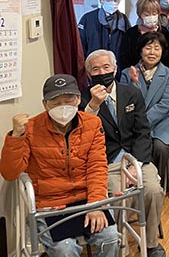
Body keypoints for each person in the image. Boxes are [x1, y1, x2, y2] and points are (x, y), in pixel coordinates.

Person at [0, 74, 119, 257]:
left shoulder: (93, 124)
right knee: (65, 249)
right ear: (45, 104)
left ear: (78, 99)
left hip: (87, 198)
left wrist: (96, 204)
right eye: (55, 102)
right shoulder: (31, 129)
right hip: (51, 204)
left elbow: (97, 166)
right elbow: (10, 173)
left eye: (68, 100)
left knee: (110, 238)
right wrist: (16, 136)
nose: (63, 106)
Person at [81, 50, 166, 257]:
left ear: (115, 68)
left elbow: (143, 131)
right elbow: (81, 137)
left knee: (153, 190)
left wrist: (136, 165)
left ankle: (151, 243)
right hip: (106, 162)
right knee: (119, 197)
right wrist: (93, 106)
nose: (102, 72)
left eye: (106, 67)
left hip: (136, 158)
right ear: (89, 74)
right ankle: (120, 248)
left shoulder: (131, 94)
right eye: (95, 69)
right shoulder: (83, 99)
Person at [120, 31, 169, 187]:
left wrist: (143, 122)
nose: (152, 52)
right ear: (140, 50)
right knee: (133, 145)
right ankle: (137, 185)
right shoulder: (127, 73)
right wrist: (134, 83)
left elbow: (166, 104)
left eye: (157, 48)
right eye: (148, 48)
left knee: (161, 147)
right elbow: (126, 103)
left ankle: (157, 184)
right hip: (134, 122)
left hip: (162, 121)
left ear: (162, 52)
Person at [119, 0, 169, 70]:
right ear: (140, 15)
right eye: (147, 14)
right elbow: (124, 59)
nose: (151, 17)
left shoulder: (166, 33)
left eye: (154, 14)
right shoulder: (130, 34)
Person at [78, 0, 131, 68]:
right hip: (94, 68)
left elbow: (128, 45)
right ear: (101, 0)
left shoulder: (123, 20)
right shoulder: (88, 19)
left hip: (118, 68)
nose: (113, 2)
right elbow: (80, 46)